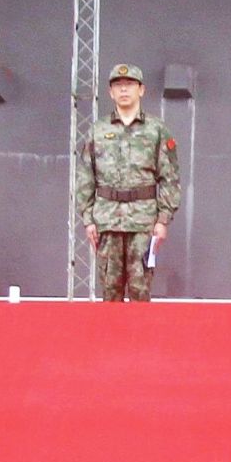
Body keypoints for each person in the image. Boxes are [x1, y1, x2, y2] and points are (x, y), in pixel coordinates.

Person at [76, 63, 183, 302]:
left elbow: (170, 177)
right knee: (110, 294)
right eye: (118, 85)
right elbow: (85, 176)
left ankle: (140, 330)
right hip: (107, 221)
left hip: (142, 223)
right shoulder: (98, 130)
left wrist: (163, 220)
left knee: (140, 292)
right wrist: (88, 219)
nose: (124, 90)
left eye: (129, 85)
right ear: (111, 92)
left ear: (141, 90)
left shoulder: (156, 130)